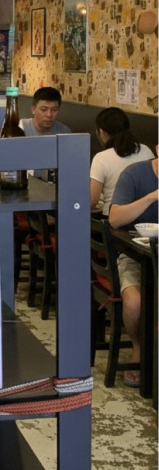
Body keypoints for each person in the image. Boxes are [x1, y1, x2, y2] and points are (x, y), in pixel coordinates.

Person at [107, 147, 158, 388]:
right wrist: (153, 196)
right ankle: (138, 350)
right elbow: (114, 219)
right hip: (135, 256)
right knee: (135, 301)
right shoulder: (135, 174)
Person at [90, 107, 154, 215]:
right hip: (146, 217)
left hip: (114, 219)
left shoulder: (101, 158)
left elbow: (92, 201)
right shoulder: (146, 150)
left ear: (102, 132)